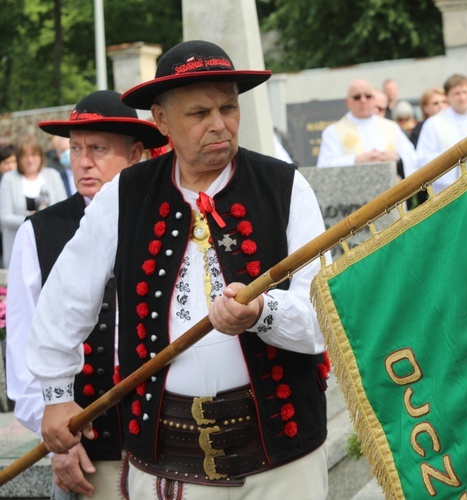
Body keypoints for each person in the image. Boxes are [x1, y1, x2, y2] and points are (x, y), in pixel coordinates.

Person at [27, 39, 330, 499]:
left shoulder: (285, 187)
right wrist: (55, 396)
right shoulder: (125, 195)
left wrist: (263, 312)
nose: (219, 125)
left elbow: (323, 318)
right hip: (169, 459)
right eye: (198, 114)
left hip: (282, 464)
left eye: (228, 108)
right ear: (161, 121)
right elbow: (64, 300)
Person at [6, 89, 168, 499]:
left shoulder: (166, 223)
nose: (83, 161)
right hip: (88, 455)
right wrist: (59, 439)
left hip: (168, 451)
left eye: (98, 148)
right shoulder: (40, 232)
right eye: (76, 148)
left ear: (135, 155)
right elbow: (25, 354)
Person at [317, 78, 416, 179]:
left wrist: (396, 158)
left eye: (368, 96)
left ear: (373, 99)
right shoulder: (333, 132)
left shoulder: (392, 127)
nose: (363, 100)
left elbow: (412, 157)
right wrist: (356, 160)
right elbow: (324, 167)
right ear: (347, 102)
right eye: (357, 97)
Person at [415, 74, 467, 194]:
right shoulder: (433, 123)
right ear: (447, 97)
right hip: (450, 190)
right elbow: (424, 159)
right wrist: (458, 155)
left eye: (465, 92)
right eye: (457, 93)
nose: (462, 97)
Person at [0, 135, 66, 267]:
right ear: (18, 159)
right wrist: (30, 219)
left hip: (50, 248)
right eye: (25, 156)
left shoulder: (52, 175)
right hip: (19, 250)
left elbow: (64, 208)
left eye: (34, 155)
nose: (30, 160)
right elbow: (4, 217)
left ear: (41, 156)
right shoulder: (9, 179)